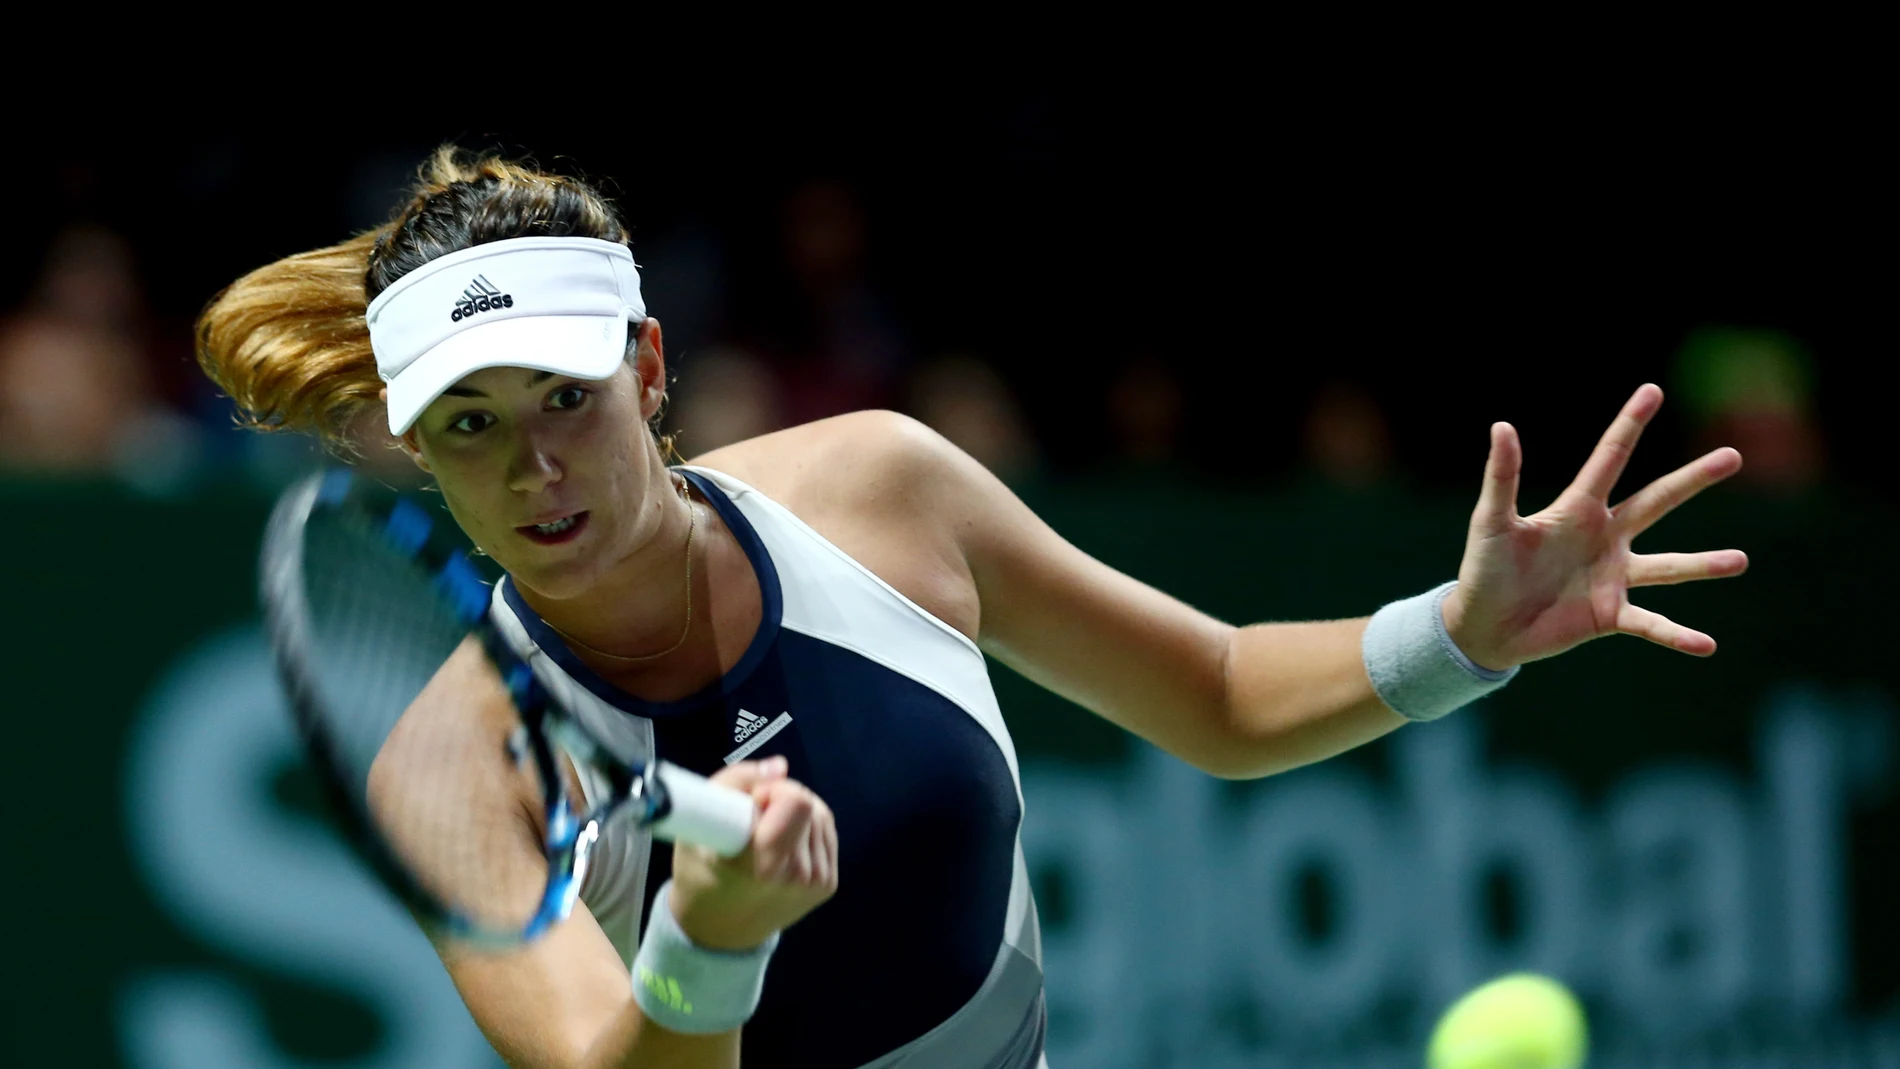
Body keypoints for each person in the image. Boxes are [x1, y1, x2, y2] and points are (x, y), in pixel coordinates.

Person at [193, 148, 1749, 1069]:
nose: (534, 466)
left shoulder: (879, 491)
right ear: (420, 453)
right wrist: (708, 944)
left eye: (565, 399)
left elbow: (1213, 693)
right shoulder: (450, 772)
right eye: (470, 425)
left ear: (649, 369)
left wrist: (1459, 637)